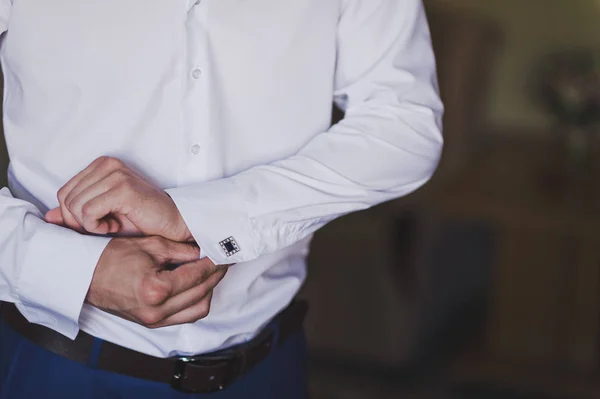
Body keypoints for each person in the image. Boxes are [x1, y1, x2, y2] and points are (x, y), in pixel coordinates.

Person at [0, 0, 443, 397]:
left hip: (268, 368)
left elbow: (404, 123)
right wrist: (73, 271)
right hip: (57, 364)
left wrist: (201, 217)